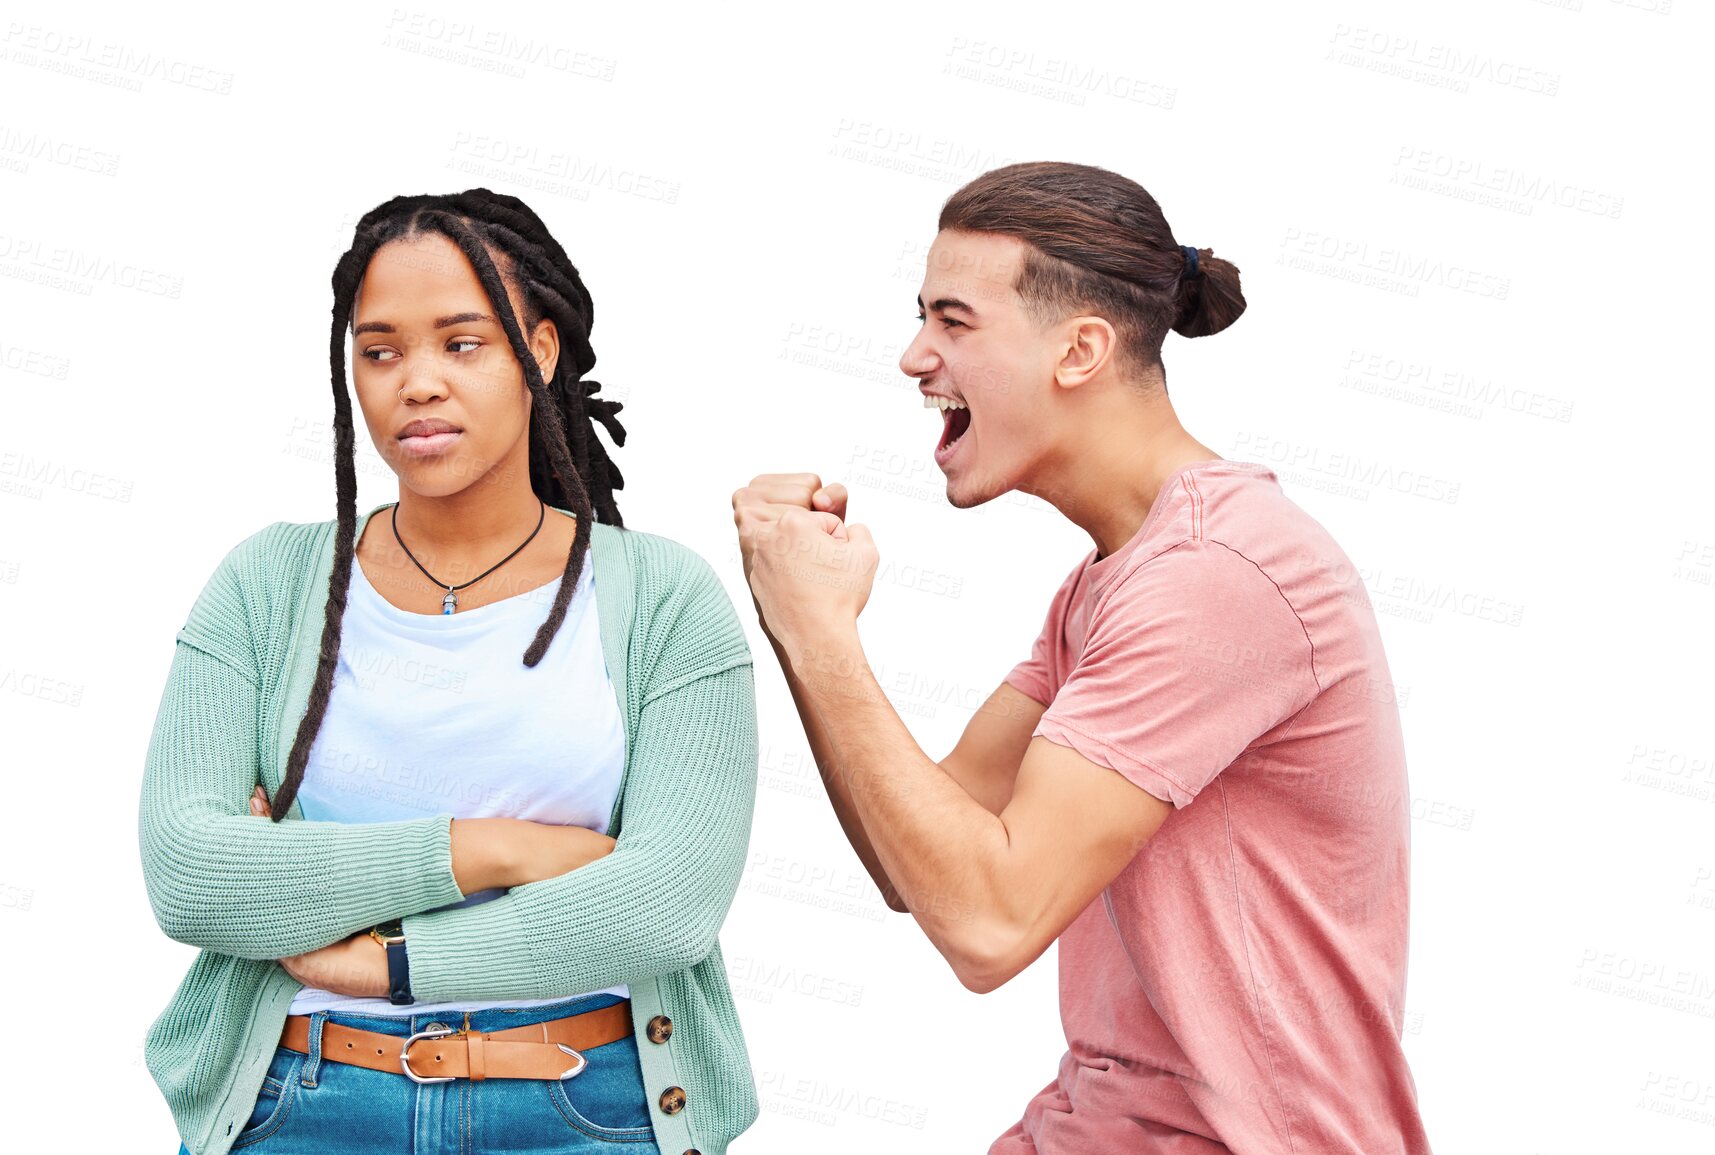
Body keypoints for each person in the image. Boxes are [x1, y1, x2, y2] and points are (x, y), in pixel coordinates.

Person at [733, 161, 1432, 1153]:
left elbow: (989, 923)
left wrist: (821, 633)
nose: (913, 356)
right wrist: (797, 630)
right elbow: (920, 867)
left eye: (954, 320)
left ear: (1080, 351)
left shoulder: (1218, 574)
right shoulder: (1114, 580)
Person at [139, 188, 758, 1155]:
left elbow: (666, 904)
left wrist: (385, 960)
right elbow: (191, 874)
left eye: (461, 343)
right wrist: (494, 850)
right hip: (301, 1103)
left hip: (586, 1109)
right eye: (379, 350)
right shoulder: (266, 585)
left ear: (538, 354)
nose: (415, 382)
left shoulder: (665, 599)